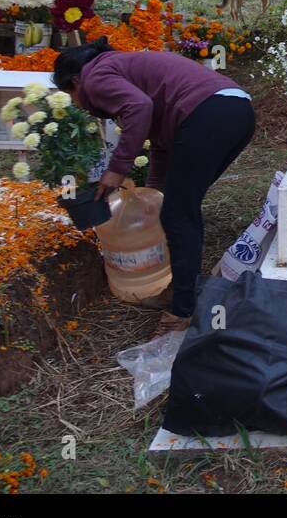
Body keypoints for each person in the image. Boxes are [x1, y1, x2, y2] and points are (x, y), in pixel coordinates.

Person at [54, 39, 257, 335]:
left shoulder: (94, 77)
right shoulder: (121, 67)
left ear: (75, 81)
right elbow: (162, 141)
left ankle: (182, 310)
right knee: (177, 208)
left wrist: (117, 169)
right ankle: (181, 290)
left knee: (178, 215)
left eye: (71, 96)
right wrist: (152, 193)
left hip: (209, 114)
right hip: (236, 112)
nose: (77, 103)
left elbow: (139, 107)